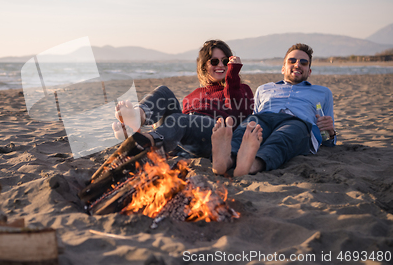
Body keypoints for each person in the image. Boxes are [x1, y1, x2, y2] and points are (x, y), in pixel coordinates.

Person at [110, 40, 253, 161]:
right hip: (184, 140)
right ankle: (137, 117)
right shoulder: (193, 95)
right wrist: (163, 126)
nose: (221, 65)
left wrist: (233, 75)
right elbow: (177, 122)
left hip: (215, 135)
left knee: (181, 120)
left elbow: (239, 109)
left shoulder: (242, 89)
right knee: (164, 91)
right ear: (204, 66)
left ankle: (145, 141)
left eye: (225, 61)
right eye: (214, 61)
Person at [211, 43, 337, 177]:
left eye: (304, 62)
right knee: (247, 129)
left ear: (309, 71)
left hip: (297, 122)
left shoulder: (323, 92)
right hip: (264, 117)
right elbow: (256, 113)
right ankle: (226, 160)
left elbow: (330, 141)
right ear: (283, 68)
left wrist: (330, 132)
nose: (297, 65)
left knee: (282, 138)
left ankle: (252, 164)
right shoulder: (264, 88)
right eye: (292, 61)